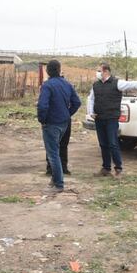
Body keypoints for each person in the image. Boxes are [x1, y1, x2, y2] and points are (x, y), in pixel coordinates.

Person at [88, 62, 137, 178]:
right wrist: (90, 113)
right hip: (99, 119)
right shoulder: (96, 85)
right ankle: (106, 168)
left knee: (113, 143)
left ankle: (118, 169)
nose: (97, 73)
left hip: (111, 119)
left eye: (99, 71)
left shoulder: (117, 83)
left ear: (106, 71)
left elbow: (132, 85)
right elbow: (91, 99)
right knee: (103, 144)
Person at [37, 60, 81, 193]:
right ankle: (55, 179)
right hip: (64, 123)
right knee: (56, 151)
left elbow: (42, 105)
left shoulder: (47, 86)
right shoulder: (66, 84)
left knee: (53, 154)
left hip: (51, 124)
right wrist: (67, 114)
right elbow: (77, 102)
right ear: (59, 69)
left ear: (48, 71)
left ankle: (59, 184)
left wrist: (42, 120)